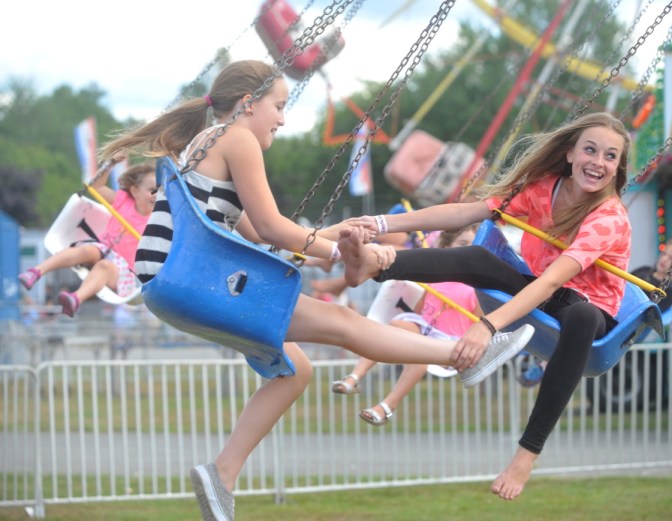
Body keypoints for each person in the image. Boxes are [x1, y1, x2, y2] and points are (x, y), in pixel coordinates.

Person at [98, 60, 534, 521]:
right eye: (280, 106)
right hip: (191, 281)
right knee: (345, 323)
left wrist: (336, 233)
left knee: (294, 370)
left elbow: (255, 233)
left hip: (171, 285)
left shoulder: (200, 145)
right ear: (248, 104)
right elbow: (271, 226)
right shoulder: (237, 138)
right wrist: (341, 255)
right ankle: (462, 356)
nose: (283, 119)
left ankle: (222, 474)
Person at [338, 112, 632, 501]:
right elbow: (465, 212)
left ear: (617, 168)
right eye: (590, 150)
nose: (598, 161)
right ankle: (377, 263)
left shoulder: (608, 216)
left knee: (578, 315)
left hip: (586, 307)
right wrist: (380, 224)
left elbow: (553, 281)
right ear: (569, 153)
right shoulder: (545, 188)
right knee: (477, 255)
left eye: (610, 156)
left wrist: (487, 326)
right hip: (542, 289)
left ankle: (526, 454)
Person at [333, 224, 481, 426]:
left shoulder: (478, 286)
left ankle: (387, 406)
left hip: (449, 343)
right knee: (394, 325)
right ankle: (354, 377)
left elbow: (480, 323)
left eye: (473, 245)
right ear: (448, 248)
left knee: (418, 350)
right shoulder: (436, 277)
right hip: (425, 329)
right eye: (463, 243)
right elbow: (421, 309)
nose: (468, 248)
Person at [18, 161, 157, 317]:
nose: (157, 195)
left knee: (104, 266)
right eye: (152, 190)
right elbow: (96, 187)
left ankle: (76, 298)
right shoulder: (123, 200)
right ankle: (36, 272)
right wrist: (111, 164)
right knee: (87, 250)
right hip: (102, 249)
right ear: (135, 190)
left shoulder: (157, 220)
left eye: (161, 191)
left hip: (122, 269)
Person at [630, 238, 672, 313]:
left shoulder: (669, 292)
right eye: (664, 253)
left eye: (671, 258)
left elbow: (650, 315)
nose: (664, 259)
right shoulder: (644, 269)